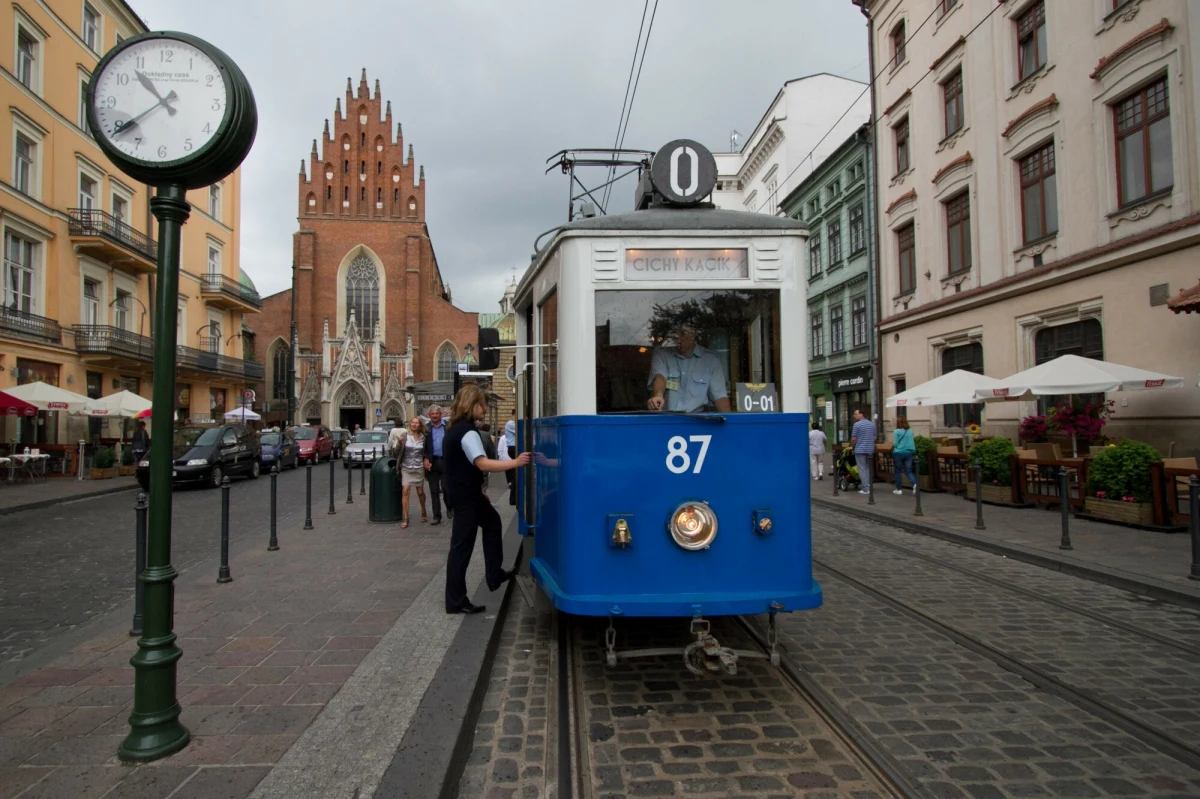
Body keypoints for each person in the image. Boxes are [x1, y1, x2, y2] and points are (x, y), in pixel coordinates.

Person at [443, 384, 531, 614]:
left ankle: (494, 574)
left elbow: (458, 466)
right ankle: (456, 601)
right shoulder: (468, 432)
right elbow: (482, 463)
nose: (485, 409)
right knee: (461, 548)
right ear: (472, 405)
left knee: (492, 522)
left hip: (467, 493)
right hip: (465, 497)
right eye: (482, 405)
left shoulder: (454, 429)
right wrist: (516, 462)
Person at [646, 322, 731, 413]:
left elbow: (720, 397)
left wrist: (731, 424)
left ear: (694, 333)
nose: (679, 339)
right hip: (667, 420)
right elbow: (660, 377)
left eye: (683, 334)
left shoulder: (710, 360)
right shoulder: (661, 354)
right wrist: (658, 395)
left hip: (697, 421)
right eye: (675, 334)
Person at [398, 417, 428, 528]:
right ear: (410, 424)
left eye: (417, 423)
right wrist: (400, 443)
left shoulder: (424, 438)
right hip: (406, 467)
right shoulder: (405, 436)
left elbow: (426, 452)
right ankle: (405, 518)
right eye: (413, 423)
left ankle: (423, 511)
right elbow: (396, 452)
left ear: (420, 425)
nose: (414, 425)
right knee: (405, 490)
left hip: (418, 467)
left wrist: (426, 460)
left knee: (420, 492)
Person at [422, 405, 448, 524]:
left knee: (446, 488)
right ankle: (436, 516)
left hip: (446, 461)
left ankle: (450, 506)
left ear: (440, 414)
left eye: (436, 414)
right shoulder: (426, 428)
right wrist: (425, 458)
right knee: (434, 490)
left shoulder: (448, 426)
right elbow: (424, 446)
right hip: (432, 463)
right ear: (429, 415)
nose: (434, 416)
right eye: (432, 414)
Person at [850, 408, 877, 495]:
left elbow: (853, 439)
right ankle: (869, 485)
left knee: (862, 468)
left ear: (862, 414)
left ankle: (865, 488)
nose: (854, 416)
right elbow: (874, 437)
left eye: (856, 414)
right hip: (870, 449)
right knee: (868, 468)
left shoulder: (857, 425)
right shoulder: (872, 424)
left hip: (860, 449)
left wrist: (853, 447)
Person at [892, 416, 917, 495]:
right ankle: (914, 483)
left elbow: (895, 443)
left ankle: (899, 489)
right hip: (908, 452)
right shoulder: (910, 431)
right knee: (908, 470)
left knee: (898, 470)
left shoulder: (896, 431)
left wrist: (894, 444)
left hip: (898, 452)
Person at [503, 409, 517, 503]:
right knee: (516, 472)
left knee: (516, 472)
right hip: (513, 448)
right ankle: (513, 497)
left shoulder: (511, 424)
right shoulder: (511, 424)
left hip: (513, 448)